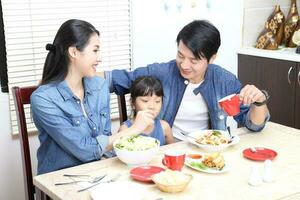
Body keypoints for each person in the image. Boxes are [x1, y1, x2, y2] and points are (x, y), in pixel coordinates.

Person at [105, 20, 270, 140]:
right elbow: (117, 79)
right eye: (180, 55)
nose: (184, 65)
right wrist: (81, 72)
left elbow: (254, 125)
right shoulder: (163, 72)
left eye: (194, 60)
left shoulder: (224, 80)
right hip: (169, 148)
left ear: (212, 58)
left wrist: (259, 101)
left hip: (207, 149)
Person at [30, 19, 155, 174]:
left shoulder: (100, 86)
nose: (100, 58)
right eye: (95, 50)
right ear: (74, 52)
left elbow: (106, 140)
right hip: (62, 179)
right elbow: (83, 149)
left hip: (99, 172)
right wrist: (133, 129)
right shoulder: (43, 99)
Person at [119, 76, 174, 145]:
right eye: (145, 101)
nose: (152, 106)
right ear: (132, 103)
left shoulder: (164, 127)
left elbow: (173, 151)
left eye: (157, 101)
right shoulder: (125, 130)